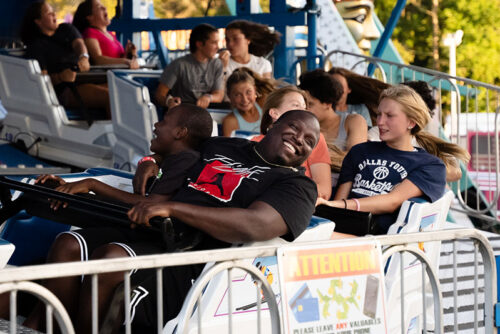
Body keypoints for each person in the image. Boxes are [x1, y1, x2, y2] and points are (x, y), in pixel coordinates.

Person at [21, 110, 320, 332]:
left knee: (109, 259)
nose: (300, 140)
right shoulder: (223, 146)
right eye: (295, 128)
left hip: (200, 253)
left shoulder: (297, 186)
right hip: (158, 228)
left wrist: (175, 209)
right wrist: (149, 162)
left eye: (310, 141)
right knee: (68, 244)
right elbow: (175, 147)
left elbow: (255, 224)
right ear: (272, 124)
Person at [317, 85, 470, 234]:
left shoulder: (430, 165)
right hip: (344, 231)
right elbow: (338, 206)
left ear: (411, 122)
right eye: (379, 114)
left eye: (389, 116)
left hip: (382, 241)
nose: (380, 122)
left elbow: (392, 201)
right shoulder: (360, 151)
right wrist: (331, 207)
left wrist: (335, 205)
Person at [35, 104, 213, 207]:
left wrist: (91, 184)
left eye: (164, 121)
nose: (156, 125)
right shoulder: (172, 159)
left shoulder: (185, 161)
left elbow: (148, 204)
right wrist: (69, 186)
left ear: (180, 133)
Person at [20, 0, 110, 116]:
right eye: (49, 13)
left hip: (85, 78)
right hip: (65, 89)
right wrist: (60, 77)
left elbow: (79, 44)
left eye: (53, 11)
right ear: (38, 21)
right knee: (108, 96)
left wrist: (83, 57)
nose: (54, 14)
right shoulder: (36, 46)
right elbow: (41, 81)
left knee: (120, 93)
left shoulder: (66, 29)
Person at [254, 86, 332, 200]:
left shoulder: (314, 140)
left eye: (304, 108)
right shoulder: (254, 143)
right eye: (296, 105)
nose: (302, 111)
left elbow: (324, 191)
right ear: (275, 113)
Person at [155, 23, 224, 109]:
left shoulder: (217, 64)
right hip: (183, 111)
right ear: (199, 44)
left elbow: (219, 95)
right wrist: (169, 101)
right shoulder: (179, 65)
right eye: (214, 43)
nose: (218, 47)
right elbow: (160, 94)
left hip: (208, 112)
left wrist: (208, 97)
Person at [72, 0, 139, 69]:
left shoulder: (111, 34)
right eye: (99, 7)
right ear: (89, 17)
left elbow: (117, 60)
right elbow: (98, 60)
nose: (104, 8)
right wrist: (125, 61)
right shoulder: (89, 32)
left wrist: (128, 54)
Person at [222, 67, 276, 136]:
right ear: (229, 96)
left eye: (248, 92)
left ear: (255, 91)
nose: (244, 99)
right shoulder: (230, 122)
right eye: (238, 95)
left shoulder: (265, 104)